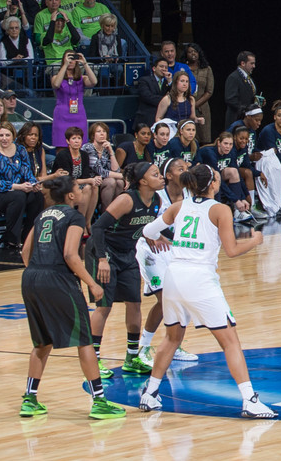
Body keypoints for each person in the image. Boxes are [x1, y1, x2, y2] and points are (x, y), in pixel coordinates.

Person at [137, 163, 277, 418]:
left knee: (171, 338)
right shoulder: (220, 209)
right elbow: (232, 250)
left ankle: (150, 393)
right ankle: (250, 400)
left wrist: (166, 239)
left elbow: (148, 231)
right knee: (230, 341)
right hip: (200, 279)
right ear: (212, 184)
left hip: (174, 277)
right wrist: (255, 241)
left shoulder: (179, 206)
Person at [18, 175, 126, 421]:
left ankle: (30, 400)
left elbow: (26, 251)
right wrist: (92, 283)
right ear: (70, 196)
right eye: (79, 187)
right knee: (84, 340)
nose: (82, 190)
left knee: (42, 342)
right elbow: (70, 254)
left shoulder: (41, 215)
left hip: (32, 277)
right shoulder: (74, 216)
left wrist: (37, 271)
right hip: (58, 279)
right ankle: (99, 402)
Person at [88, 162, 165, 380]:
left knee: (135, 302)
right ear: (142, 181)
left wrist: (152, 236)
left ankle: (132, 357)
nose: (161, 177)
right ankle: (94, 359)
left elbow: (140, 225)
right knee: (104, 306)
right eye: (156, 174)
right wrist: (102, 259)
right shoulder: (127, 199)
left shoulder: (156, 200)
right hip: (104, 252)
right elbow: (98, 227)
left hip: (127, 253)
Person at [134, 158, 200, 369]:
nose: (186, 171)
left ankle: (174, 345)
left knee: (183, 299)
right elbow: (144, 219)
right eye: (181, 169)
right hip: (151, 248)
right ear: (169, 175)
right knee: (164, 299)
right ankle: (142, 348)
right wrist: (155, 234)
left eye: (187, 168)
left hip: (174, 249)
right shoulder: (157, 196)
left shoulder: (190, 195)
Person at [0, 121, 45, 249]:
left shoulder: (20, 150)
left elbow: (27, 172)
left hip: (21, 191)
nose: (4, 138)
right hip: (0, 194)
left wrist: (33, 184)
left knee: (37, 196)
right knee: (18, 196)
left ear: (13, 136)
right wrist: (18, 187)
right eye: (1, 135)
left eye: (7, 135)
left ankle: (28, 236)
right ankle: (11, 238)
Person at [51, 126, 101, 226]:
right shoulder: (63, 155)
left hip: (79, 182)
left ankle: (88, 222)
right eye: (73, 138)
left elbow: (85, 174)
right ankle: (80, 222)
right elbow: (68, 179)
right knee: (87, 187)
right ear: (68, 141)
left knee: (93, 187)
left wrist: (93, 180)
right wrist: (89, 180)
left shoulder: (84, 155)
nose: (77, 141)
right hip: (64, 184)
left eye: (79, 138)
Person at [50, 51, 96, 147]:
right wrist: (65, 65)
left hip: (78, 114)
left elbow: (94, 82)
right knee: (61, 146)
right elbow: (56, 84)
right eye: (68, 58)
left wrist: (84, 63)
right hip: (62, 115)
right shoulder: (56, 77)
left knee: (80, 146)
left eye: (73, 58)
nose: (71, 61)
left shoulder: (82, 78)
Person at [83, 122, 124, 211]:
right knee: (111, 182)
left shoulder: (106, 149)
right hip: (90, 179)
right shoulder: (88, 148)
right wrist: (124, 176)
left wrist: (111, 152)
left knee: (120, 183)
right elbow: (101, 171)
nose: (102, 134)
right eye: (98, 131)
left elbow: (116, 170)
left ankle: (116, 213)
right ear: (93, 135)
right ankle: (106, 214)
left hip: (102, 179)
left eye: (104, 131)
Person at [185, 43, 214, 143]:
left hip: (202, 107)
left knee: (204, 137)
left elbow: (209, 91)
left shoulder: (206, 69)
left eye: (195, 51)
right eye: (190, 52)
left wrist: (196, 105)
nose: (193, 53)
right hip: (186, 106)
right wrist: (191, 106)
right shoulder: (183, 68)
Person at [224, 50, 259, 128]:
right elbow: (230, 99)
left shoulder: (249, 79)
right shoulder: (233, 77)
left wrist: (257, 102)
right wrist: (247, 110)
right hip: (236, 120)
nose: (254, 66)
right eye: (252, 63)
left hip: (247, 121)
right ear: (243, 63)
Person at [134, 58, 170, 128]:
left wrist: (170, 82)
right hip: (147, 119)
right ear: (154, 68)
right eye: (161, 66)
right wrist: (166, 100)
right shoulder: (144, 80)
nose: (164, 69)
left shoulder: (168, 83)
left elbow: (173, 97)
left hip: (163, 119)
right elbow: (148, 97)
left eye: (166, 67)